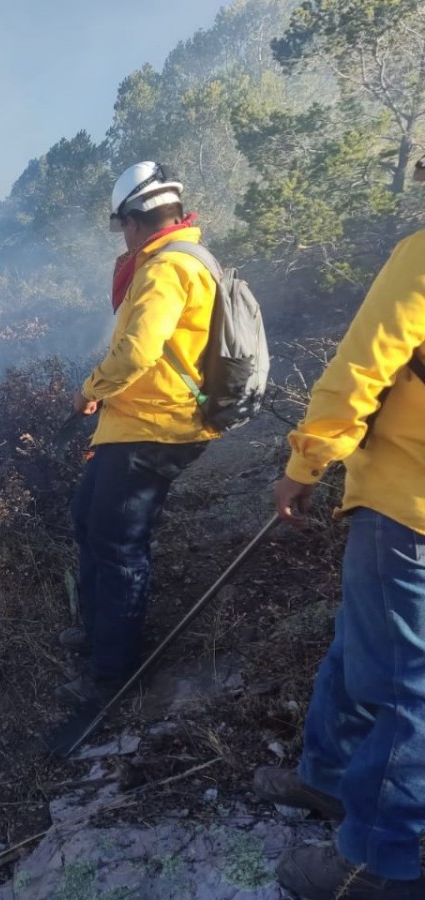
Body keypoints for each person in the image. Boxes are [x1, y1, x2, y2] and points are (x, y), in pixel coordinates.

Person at [252, 165, 425, 899]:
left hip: (407, 503)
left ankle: (380, 861)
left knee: (406, 686)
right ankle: (327, 777)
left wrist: (305, 461)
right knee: (361, 646)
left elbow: (361, 366)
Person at [64, 161, 220, 702]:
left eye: (120, 226)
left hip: (152, 428)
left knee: (119, 544)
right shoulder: (177, 260)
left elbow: (136, 351)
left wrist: (90, 389)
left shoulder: (166, 268)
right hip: (136, 422)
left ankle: (114, 672)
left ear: (134, 220)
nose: (121, 237)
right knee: (88, 520)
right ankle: (98, 633)